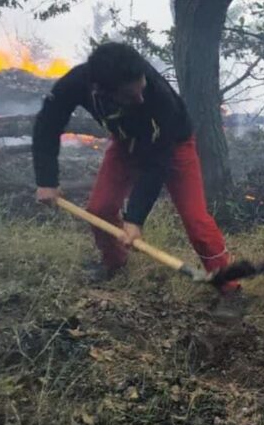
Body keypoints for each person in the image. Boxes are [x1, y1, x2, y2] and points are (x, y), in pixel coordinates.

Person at [32, 42, 244, 319]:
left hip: (174, 146)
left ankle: (231, 289)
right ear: (101, 90)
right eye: (131, 96)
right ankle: (115, 264)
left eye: (141, 89)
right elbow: (48, 122)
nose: (141, 99)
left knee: (196, 220)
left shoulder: (158, 97)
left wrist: (135, 220)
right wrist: (46, 179)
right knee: (100, 209)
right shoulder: (78, 82)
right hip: (125, 144)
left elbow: (156, 164)